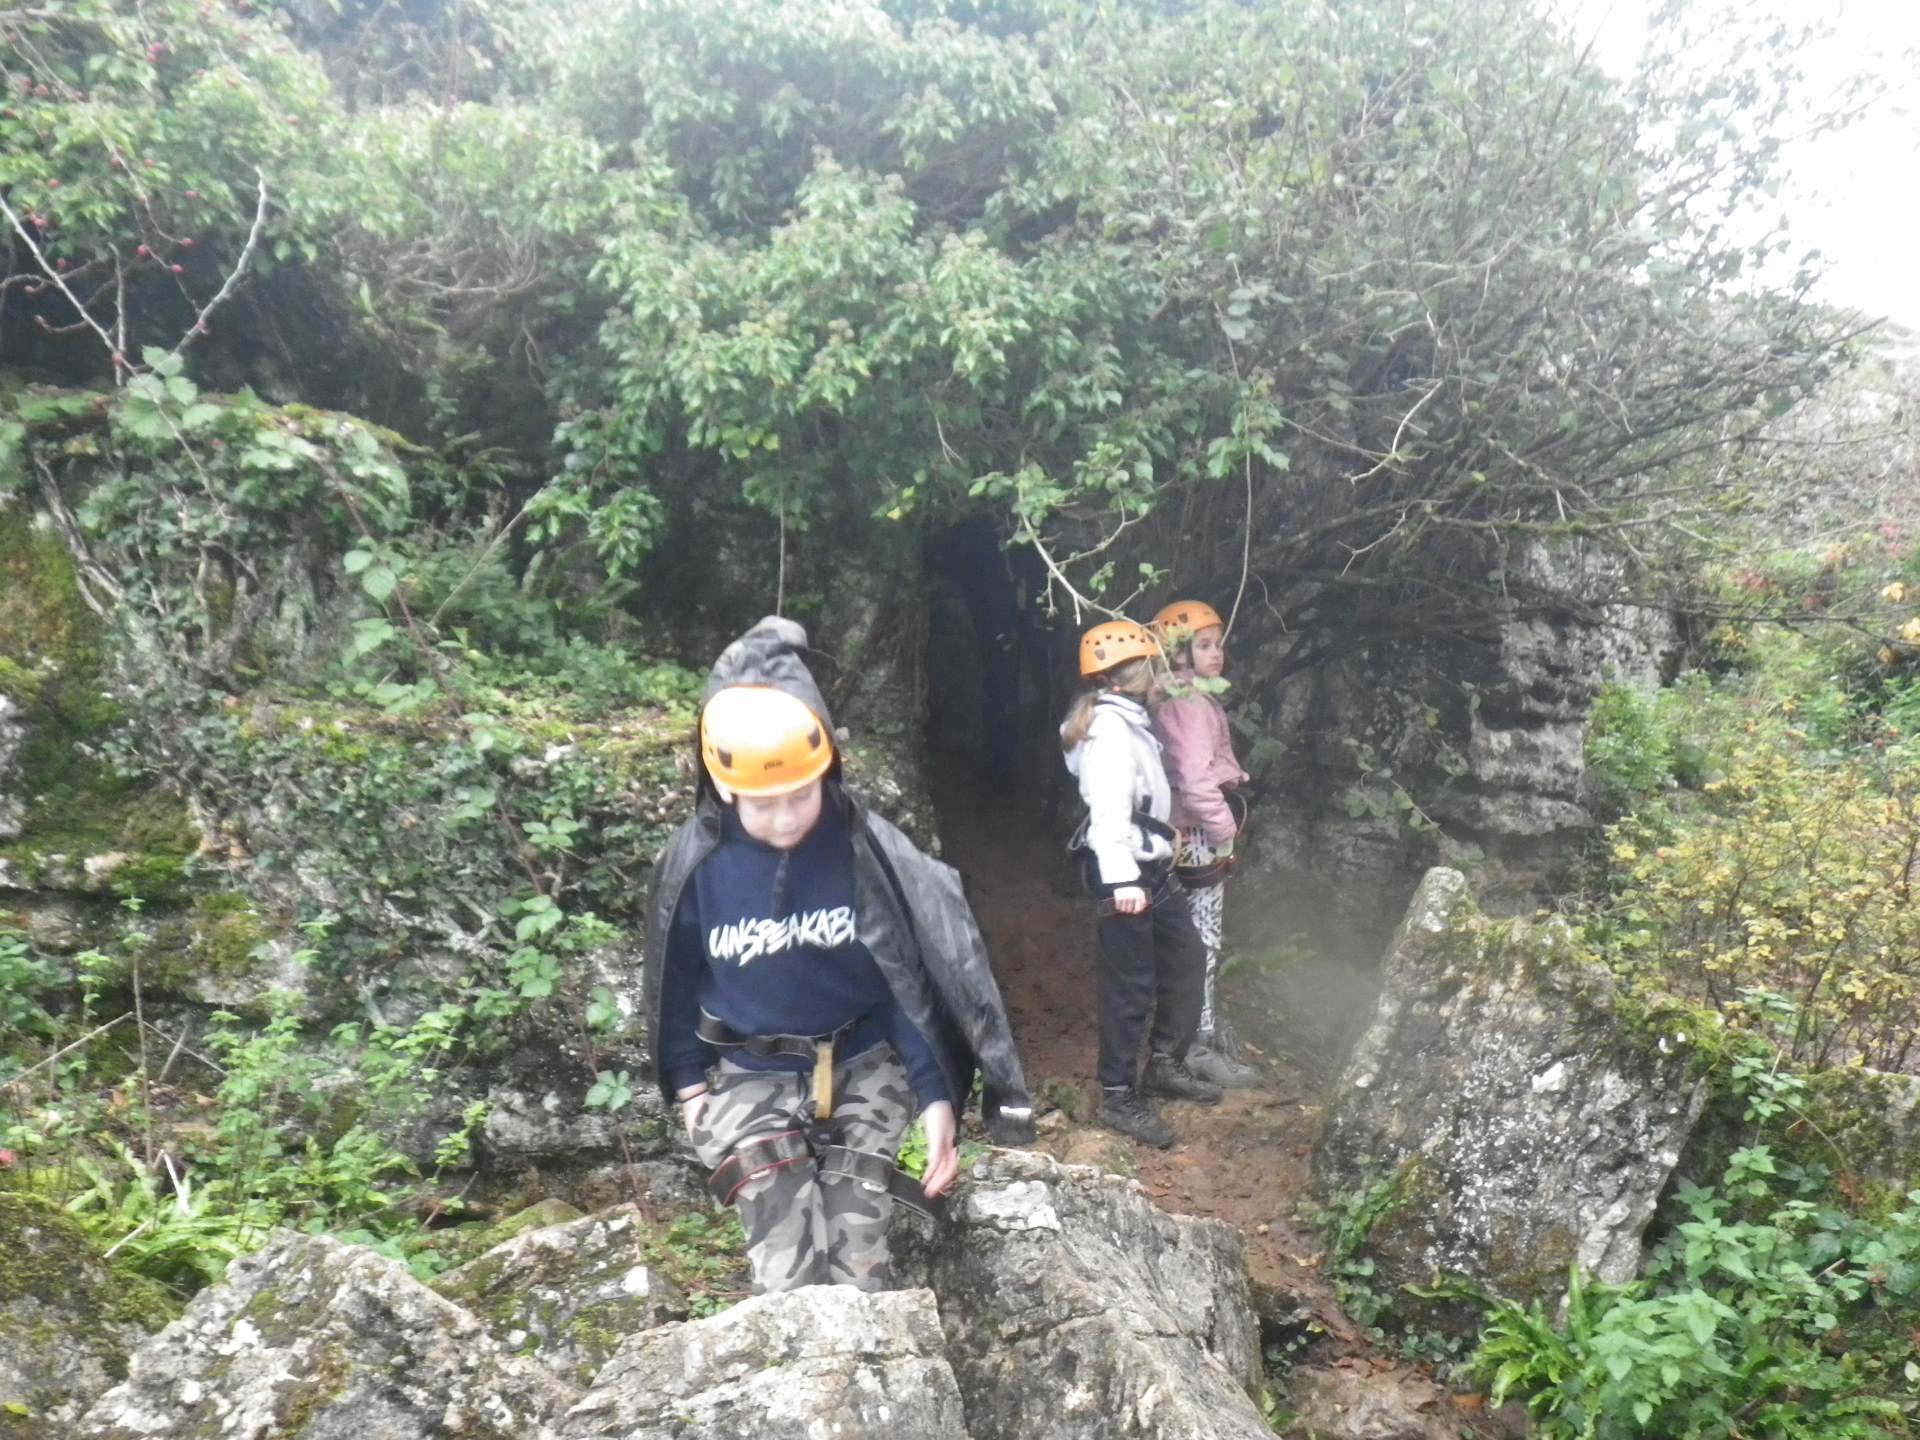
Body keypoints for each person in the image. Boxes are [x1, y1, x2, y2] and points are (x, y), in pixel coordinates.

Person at [641, 616, 1035, 1295]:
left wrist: (937, 1095)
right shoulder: (696, 866)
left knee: (859, 1259)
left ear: (827, 768)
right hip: (749, 1071)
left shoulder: (864, 852)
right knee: (785, 1270)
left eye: (801, 795)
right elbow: (673, 979)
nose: (787, 818)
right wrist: (689, 1085)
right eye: (764, 804)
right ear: (724, 786)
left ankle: (871, 1340)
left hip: (865, 1060)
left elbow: (907, 981)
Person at [1060, 617, 1222, 1149]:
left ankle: (1165, 1064)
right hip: (1125, 871)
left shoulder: (1129, 721)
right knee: (1129, 985)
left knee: (1187, 958)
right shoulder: (1109, 731)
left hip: (1151, 866)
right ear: (1136, 671)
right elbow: (1108, 811)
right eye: (1154, 664)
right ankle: (1117, 1095)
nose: (1161, 673)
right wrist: (1123, 880)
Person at [1151, 599, 1259, 1088]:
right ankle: (1196, 1044)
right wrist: (1225, 831)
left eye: (1218, 644)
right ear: (1179, 654)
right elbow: (1195, 784)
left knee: (1195, 941)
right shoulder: (1189, 703)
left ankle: (1199, 1035)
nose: (1217, 653)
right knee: (1202, 942)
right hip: (1195, 834)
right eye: (1204, 645)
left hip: (1187, 830)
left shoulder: (1179, 696)